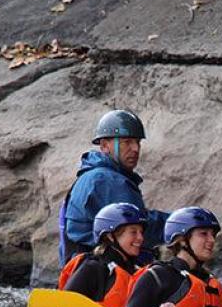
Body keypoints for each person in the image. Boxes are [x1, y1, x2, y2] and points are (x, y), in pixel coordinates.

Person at [58, 109, 167, 266]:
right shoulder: (107, 180)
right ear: (104, 146)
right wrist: (181, 224)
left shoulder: (90, 176)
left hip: (84, 270)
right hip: (102, 276)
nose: (135, 149)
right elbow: (140, 228)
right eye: (127, 142)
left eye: (137, 142)